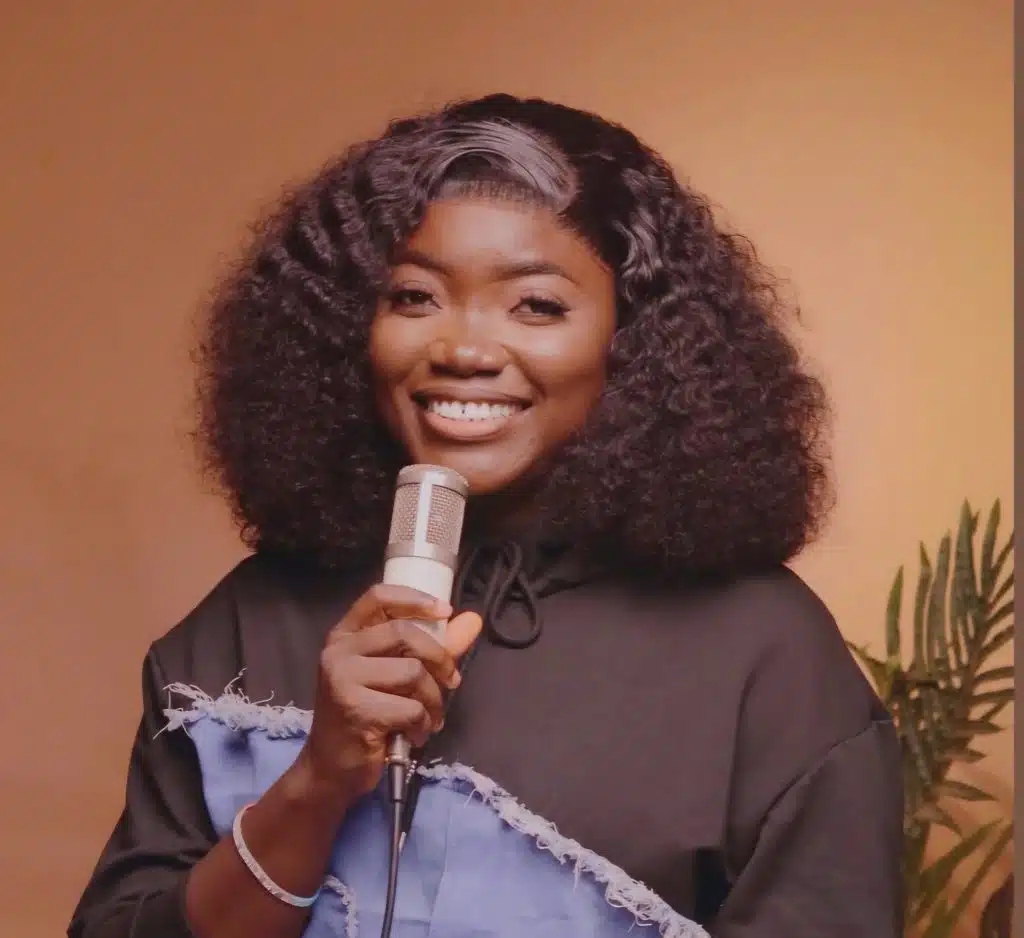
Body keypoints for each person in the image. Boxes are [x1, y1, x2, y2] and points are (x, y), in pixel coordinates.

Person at [69, 94, 903, 938]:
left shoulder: (766, 659)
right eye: (414, 297)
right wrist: (316, 784)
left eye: (536, 305)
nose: (464, 350)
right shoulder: (241, 632)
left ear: (632, 343)